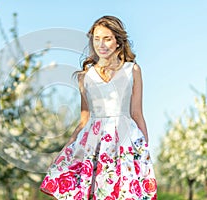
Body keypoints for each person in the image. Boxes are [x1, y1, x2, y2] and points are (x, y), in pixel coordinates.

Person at [40, 15, 157, 200]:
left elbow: (136, 113)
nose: (101, 44)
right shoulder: (85, 76)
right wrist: (66, 149)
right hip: (93, 142)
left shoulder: (132, 70)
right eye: (96, 39)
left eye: (107, 38)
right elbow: (84, 119)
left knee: (122, 192)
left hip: (124, 141)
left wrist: (145, 152)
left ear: (118, 42)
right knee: (94, 191)